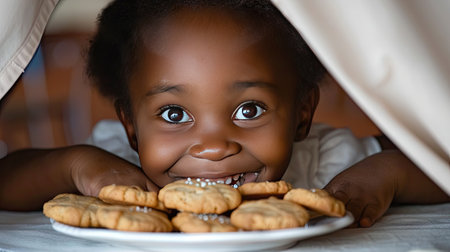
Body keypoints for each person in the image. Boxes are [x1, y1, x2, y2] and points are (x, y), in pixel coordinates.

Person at [1, 0, 448, 228]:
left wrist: (386, 173)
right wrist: (76, 164)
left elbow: (438, 164)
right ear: (131, 128)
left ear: (301, 114)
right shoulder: (115, 172)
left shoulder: (327, 165)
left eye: (249, 109)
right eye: (174, 114)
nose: (214, 145)